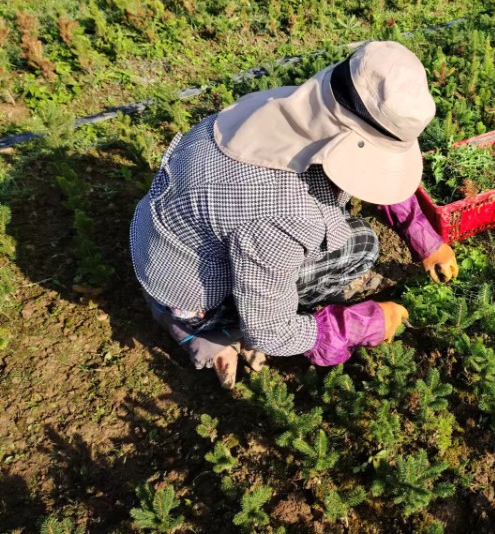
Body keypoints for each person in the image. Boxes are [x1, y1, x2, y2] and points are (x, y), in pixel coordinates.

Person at [129, 41, 459, 388]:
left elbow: (374, 164)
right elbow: (270, 331)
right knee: (362, 245)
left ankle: (196, 321)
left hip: (159, 249)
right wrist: (367, 323)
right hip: (192, 301)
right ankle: (213, 333)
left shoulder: (277, 107)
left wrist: (426, 239)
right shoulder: (283, 214)